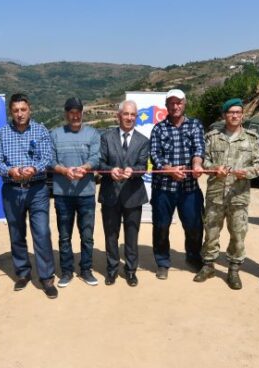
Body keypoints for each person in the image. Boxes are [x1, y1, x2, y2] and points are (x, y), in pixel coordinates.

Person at [193, 98, 259, 289]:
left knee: (238, 234)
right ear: (224, 115)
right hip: (215, 195)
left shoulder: (252, 138)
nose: (234, 115)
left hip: (238, 196)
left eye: (238, 112)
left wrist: (246, 173)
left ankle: (233, 269)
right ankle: (208, 265)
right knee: (211, 231)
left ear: (242, 115)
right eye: (230, 112)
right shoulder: (212, 137)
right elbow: (204, 162)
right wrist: (215, 168)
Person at [0, 93, 59, 299]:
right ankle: (22, 273)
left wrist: (34, 168)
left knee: (41, 233)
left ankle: (47, 278)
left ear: (29, 109)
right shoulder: (3, 133)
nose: (20, 114)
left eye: (23, 110)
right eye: (16, 110)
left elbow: (47, 157)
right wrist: (9, 171)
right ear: (10, 112)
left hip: (37, 189)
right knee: (16, 233)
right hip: (12, 189)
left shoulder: (40, 130)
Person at [149, 88, 205, 279]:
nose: (176, 106)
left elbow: (199, 149)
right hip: (163, 188)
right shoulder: (158, 128)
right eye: (172, 103)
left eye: (179, 102)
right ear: (166, 105)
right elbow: (155, 155)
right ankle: (163, 262)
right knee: (161, 227)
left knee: (194, 226)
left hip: (190, 188)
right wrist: (169, 170)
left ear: (185, 103)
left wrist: (197, 164)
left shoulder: (195, 125)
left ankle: (193, 256)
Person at [98, 100, 150, 287]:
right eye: (126, 114)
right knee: (111, 235)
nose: (129, 118)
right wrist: (110, 170)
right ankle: (111, 269)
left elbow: (143, 166)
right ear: (118, 116)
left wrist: (133, 171)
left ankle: (130, 271)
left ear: (136, 117)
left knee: (132, 235)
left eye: (132, 115)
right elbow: (100, 162)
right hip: (110, 194)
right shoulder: (106, 137)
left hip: (133, 195)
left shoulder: (143, 141)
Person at [50, 97, 101, 287]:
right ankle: (66, 271)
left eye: (78, 111)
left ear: (82, 112)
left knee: (87, 235)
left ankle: (86, 269)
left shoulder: (93, 133)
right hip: (63, 195)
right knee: (64, 236)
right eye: (71, 112)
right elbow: (50, 160)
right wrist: (64, 170)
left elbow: (96, 157)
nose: (75, 115)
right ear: (66, 113)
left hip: (86, 194)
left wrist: (85, 167)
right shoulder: (55, 134)